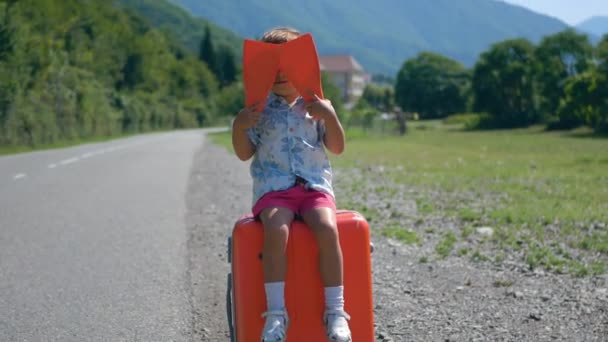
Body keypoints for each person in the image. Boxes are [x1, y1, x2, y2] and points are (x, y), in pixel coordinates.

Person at [231, 27, 351, 342]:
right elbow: (245, 153)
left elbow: (337, 147)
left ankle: (336, 311)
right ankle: (275, 313)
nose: (281, 72)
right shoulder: (257, 108)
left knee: (327, 228)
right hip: (274, 189)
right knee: (276, 230)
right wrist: (239, 125)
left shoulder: (318, 104)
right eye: (273, 65)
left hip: (313, 187)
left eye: (289, 64)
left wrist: (330, 117)